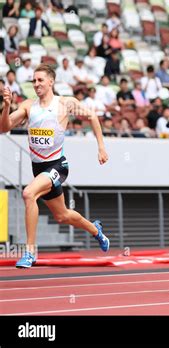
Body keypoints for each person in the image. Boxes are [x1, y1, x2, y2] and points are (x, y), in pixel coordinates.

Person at [0, 64, 110, 268]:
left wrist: (101, 147)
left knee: (28, 194)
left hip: (58, 166)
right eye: (33, 80)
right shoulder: (27, 106)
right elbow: (3, 128)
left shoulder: (65, 103)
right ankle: (96, 231)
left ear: (51, 81)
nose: (36, 84)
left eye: (40, 80)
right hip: (38, 168)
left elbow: (92, 117)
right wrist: (7, 106)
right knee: (62, 215)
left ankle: (30, 252)